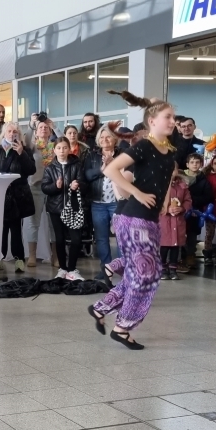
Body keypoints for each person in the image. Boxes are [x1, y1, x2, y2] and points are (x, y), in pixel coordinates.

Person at [87, 91, 176, 349]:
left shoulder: (168, 150)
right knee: (146, 275)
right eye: (168, 117)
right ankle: (122, 327)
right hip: (134, 219)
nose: (172, 121)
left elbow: (165, 179)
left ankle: (102, 308)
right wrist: (137, 192)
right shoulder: (144, 146)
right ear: (152, 121)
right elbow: (111, 169)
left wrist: (165, 201)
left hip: (149, 219)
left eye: (173, 117)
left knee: (144, 272)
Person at [0, 121, 35, 271]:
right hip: (1, 195)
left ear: (19, 134)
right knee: (1, 228)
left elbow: (31, 170)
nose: (12, 134)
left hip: (18, 196)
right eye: (9, 131)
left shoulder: (25, 150)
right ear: (4, 133)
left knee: (16, 229)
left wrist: (22, 154)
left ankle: (19, 259)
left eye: (15, 131)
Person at [42, 137, 87, 280]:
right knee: (59, 239)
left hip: (73, 207)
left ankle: (72, 269)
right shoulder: (49, 168)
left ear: (69, 149)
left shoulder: (76, 165)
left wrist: (77, 185)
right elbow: (44, 188)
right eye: (59, 148)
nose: (62, 151)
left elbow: (85, 184)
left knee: (76, 239)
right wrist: (56, 186)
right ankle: (62, 268)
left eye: (65, 148)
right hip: (56, 209)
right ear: (54, 150)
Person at [84, 124, 119, 272]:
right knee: (101, 238)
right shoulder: (92, 155)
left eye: (108, 136)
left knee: (121, 237)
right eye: (102, 137)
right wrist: (102, 169)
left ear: (115, 139)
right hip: (98, 202)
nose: (105, 140)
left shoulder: (123, 155)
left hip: (118, 202)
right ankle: (106, 269)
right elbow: (87, 175)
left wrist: (114, 164)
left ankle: (123, 269)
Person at [23, 118, 57, 268]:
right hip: (35, 187)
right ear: (36, 132)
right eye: (40, 127)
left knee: (53, 223)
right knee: (33, 222)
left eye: (46, 127)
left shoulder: (55, 146)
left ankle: (55, 256)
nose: (43, 129)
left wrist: (54, 126)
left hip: (53, 188)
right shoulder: (33, 146)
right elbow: (27, 139)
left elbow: (65, 141)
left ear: (50, 131)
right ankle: (32, 256)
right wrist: (32, 124)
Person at [159, 162, 192, 280]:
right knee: (163, 246)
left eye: (173, 169)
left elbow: (188, 201)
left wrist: (182, 208)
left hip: (178, 221)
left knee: (175, 246)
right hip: (164, 221)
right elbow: (155, 202)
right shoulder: (159, 185)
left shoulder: (182, 186)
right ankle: (162, 268)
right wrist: (166, 209)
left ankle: (173, 268)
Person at [180, 152, 214, 268]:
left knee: (192, 234)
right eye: (192, 162)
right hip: (181, 210)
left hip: (195, 211)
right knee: (179, 232)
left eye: (197, 162)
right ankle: (179, 256)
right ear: (187, 164)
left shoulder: (203, 179)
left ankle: (190, 254)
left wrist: (192, 200)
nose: (195, 164)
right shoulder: (180, 177)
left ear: (201, 164)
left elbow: (208, 196)